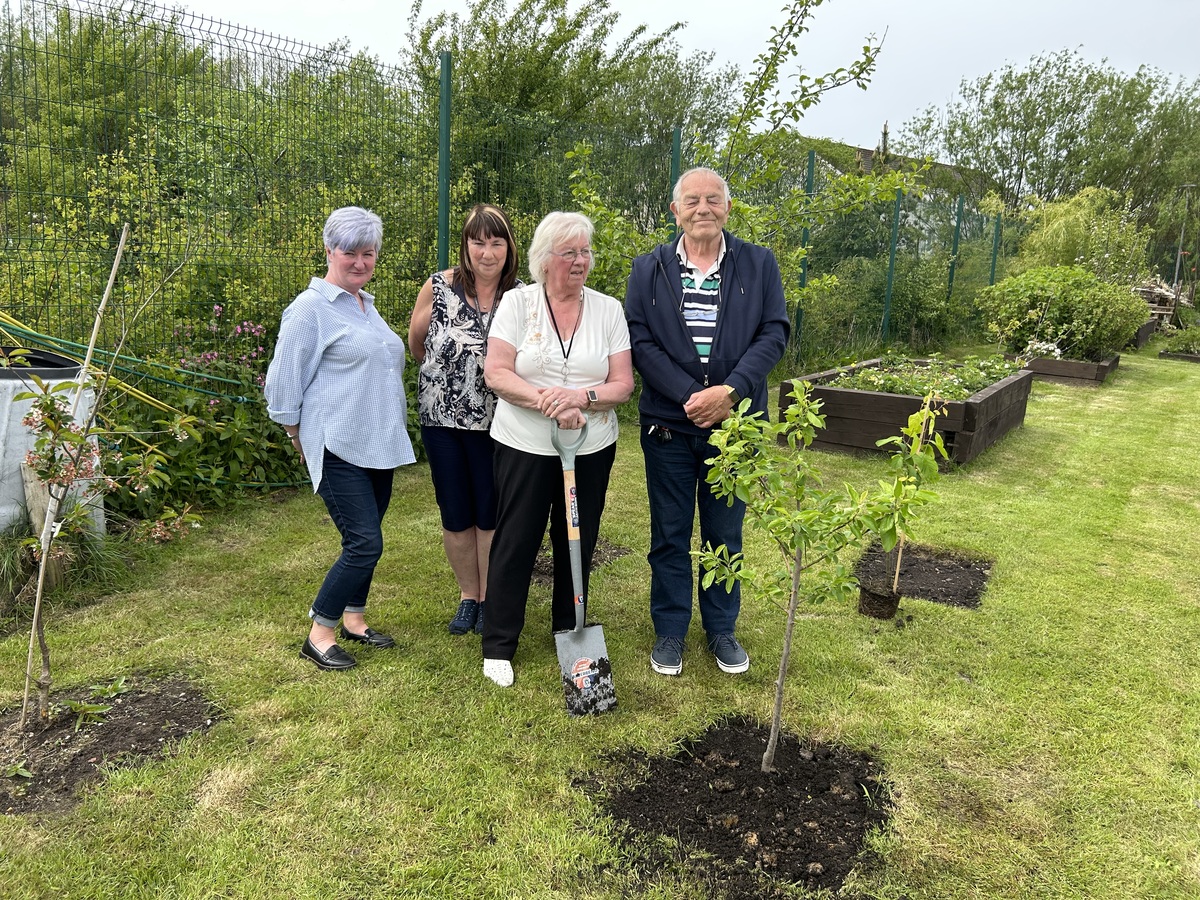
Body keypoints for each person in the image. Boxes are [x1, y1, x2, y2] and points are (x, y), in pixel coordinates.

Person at [624, 167, 790, 677]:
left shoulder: (759, 264)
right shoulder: (647, 269)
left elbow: (774, 332)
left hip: (735, 429)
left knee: (725, 533)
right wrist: (692, 396)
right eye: (692, 200)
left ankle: (721, 629)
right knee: (670, 534)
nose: (703, 208)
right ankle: (671, 630)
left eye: (713, 199)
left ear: (728, 207)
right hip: (669, 427)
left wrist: (730, 393)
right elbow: (640, 340)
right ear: (675, 210)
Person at [480, 211, 634, 687]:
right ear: (545, 259)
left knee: (577, 539)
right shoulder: (516, 304)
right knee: (516, 538)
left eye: (585, 251)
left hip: (590, 446)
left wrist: (581, 398)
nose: (580, 261)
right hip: (524, 443)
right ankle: (499, 644)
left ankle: (570, 631)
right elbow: (497, 372)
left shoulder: (608, 309)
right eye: (569, 252)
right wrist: (551, 402)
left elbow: (623, 384)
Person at [265, 206, 416, 671]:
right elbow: (283, 380)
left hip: (378, 444)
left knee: (367, 538)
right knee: (364, 542)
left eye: (368, 253)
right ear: (329, 250)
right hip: (337, 445)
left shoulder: (365, 306)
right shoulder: (310, 309)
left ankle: (354, 618)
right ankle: (320, 632)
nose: (359, 261)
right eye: (349, 251)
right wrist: (296, 433)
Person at [408, 204, 521, 637]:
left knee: (490, 514)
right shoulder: (438, 286)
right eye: (478, 241)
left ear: (509, 247)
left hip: (501, 423)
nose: (487, 251)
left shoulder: (522, 296)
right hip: (443, 422)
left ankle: (491, 597)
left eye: (496, 241)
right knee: (456, 513)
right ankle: (468, 597)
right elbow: (418, 346)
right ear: (466, 244)